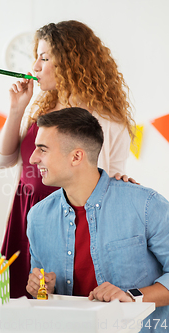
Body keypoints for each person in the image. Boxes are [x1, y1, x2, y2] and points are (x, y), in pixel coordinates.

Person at [0, 20, 136, 298]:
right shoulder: (43, 112)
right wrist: (17, 108)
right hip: (26, 212)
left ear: (71, 62)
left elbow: (112, 182)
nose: (35, 67)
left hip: (69, 223)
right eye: (36, 57)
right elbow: (5, 159)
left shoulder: (108, 122)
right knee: (20, 304)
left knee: (60, 299)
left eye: (44, 58)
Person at [26, 108, 169, 331]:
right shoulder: (37, 217)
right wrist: (44, 289)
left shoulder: (146, 205)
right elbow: (42, 293)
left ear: (76, 156)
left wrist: (132, 296)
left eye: (42, 149)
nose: (33, 158)